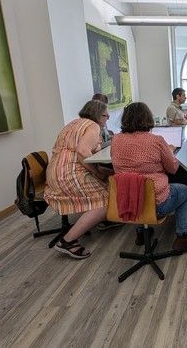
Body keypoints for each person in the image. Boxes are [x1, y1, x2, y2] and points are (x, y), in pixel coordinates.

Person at [110, 102, 187, 253]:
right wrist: (169, 151)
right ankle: (181, 236)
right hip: (157, 203)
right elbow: (173, 168)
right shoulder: (156, 140)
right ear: (148, 118)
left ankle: (142, 232)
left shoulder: (116, 140)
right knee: (186, 191)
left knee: (132, 183)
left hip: (127, 200)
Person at [46, 100, 114, 259]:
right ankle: (68, 241)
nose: (108, 118)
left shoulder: (72, 124)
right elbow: (82, 150)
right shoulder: (93, 125)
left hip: (55, 170)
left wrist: (98, 169)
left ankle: (101, 221)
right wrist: (96, 171)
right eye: (106, 115)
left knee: (105, 183)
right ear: (97, 114)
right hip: (68, 172)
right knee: (105, 201)